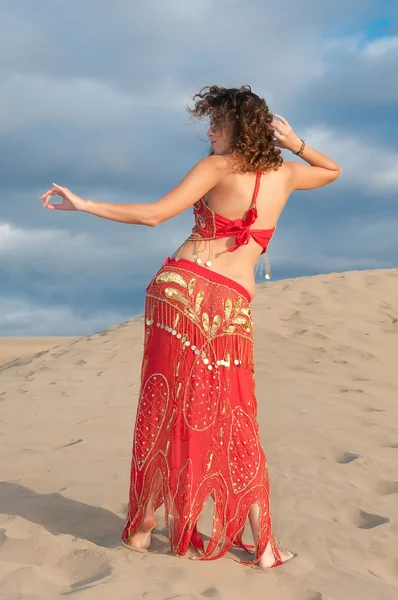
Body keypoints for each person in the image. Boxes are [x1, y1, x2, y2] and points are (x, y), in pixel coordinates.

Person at [40, 85, 342, 568]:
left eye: (217, 124)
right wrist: (295, 143)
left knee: (168, 405)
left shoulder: (217, 169)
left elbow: (155, 215)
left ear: (235, 129)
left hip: (181, 296)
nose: (210, 132)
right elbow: (333, 171)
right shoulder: (284, 174)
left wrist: (85, 205)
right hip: (232, 306)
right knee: (236, 418)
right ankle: (263, 546)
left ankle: (142, 528)